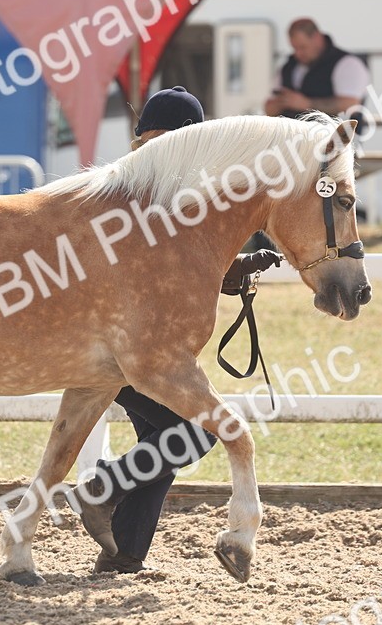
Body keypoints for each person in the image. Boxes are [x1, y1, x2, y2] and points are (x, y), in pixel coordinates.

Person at [76, 86, 282, 574]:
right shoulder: (139, 192)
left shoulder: (164, 191)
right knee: (191, 432)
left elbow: (175, 267)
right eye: (160, 138)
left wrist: (234, 269)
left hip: (130, 345)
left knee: (167, 436)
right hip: (118, 347)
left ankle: (124, 551)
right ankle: (103, 491)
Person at [263, 18, 370, 127]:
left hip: (334, 138)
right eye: (295, 48)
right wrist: (275, 106)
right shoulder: (289, 66)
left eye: (303, 47)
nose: (298, 53)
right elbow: (270, 107)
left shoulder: (347, 64)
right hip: (293, 139)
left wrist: (306, 104)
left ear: (317, 38)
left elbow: (349, 105)